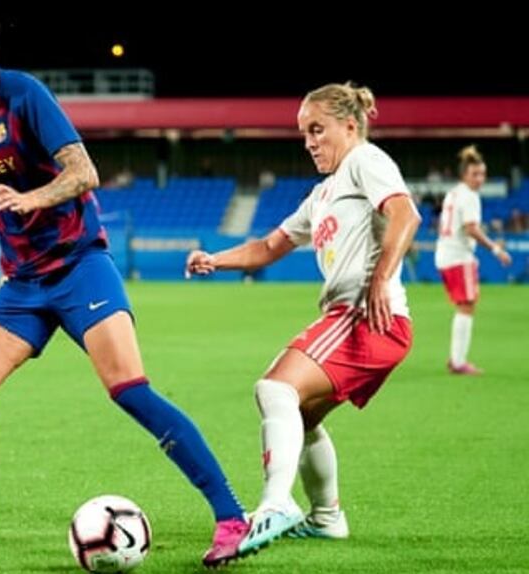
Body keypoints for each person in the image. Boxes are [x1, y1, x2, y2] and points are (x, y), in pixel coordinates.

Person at [0, 2, 250, 570]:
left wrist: (31, 198)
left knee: (130, 390)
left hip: (80, 264)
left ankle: (233, 516)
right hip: (24, 282)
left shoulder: (25, 95)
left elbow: (85, 172)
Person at [186, 82, 422, 554]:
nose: (309, 141)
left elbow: (405, 214)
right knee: (302, 416)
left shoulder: (365, 160)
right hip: (358, 320)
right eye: (303, 134)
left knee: (275, 389)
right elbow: (269, 246)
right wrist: (216, 259)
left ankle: (276, 503)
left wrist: (379, 279)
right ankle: (325, 516)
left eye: (318, 129)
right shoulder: (323, 194)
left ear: (350, 126)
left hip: (364, 318)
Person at [433, 145, 512, 375]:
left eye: (482, 174)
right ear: (464, 175)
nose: (480, 179)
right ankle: (458, 362)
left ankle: (457, 359)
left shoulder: (454, 192)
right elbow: (471, 228)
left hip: (445, 253)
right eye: (475, 174)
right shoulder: (469, 196)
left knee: (464, 305)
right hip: (458, 256)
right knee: (467, 306)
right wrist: (496, 249)